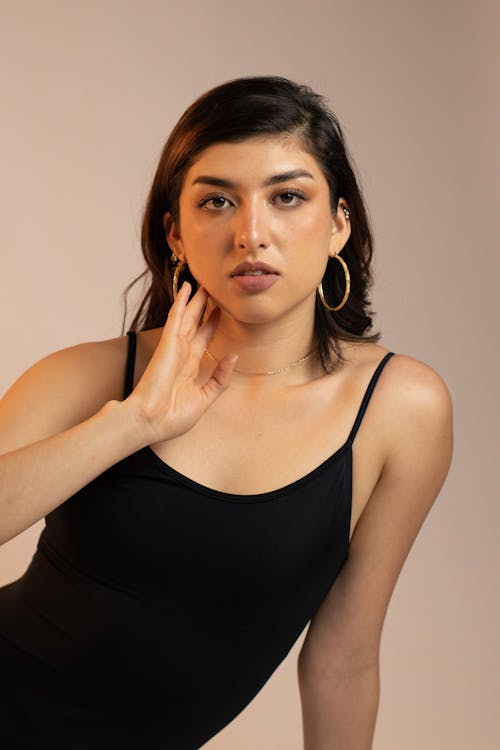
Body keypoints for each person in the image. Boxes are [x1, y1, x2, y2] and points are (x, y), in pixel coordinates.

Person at [0, 76, 453, 749]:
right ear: (176, 234)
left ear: (339, 224)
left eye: (287, 197)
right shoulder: (92, 376)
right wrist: (133, 422)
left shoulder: (400, 409)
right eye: (216, 201)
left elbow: (343, 660)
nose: (251, 233)